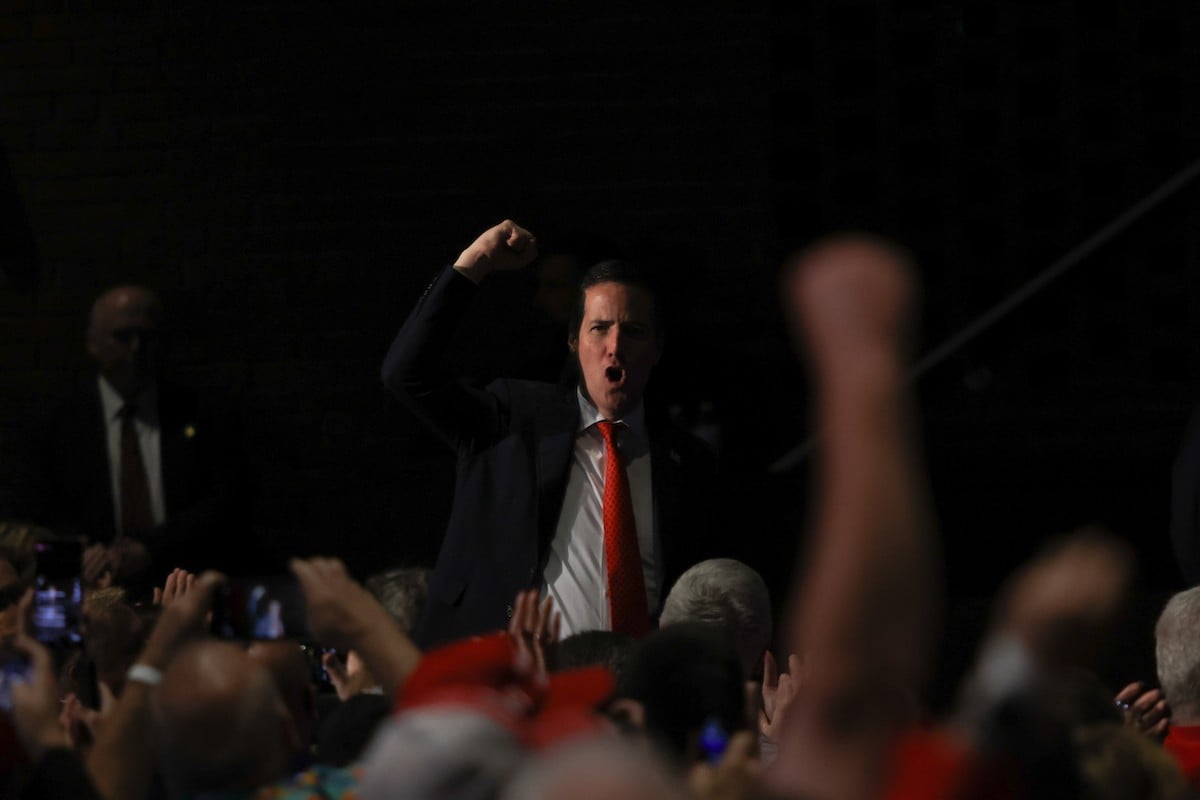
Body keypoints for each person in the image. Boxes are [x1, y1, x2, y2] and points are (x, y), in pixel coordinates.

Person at [382, 220, 720, 646]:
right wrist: (476, 262)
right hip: (511, 682)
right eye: (599, 328)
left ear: (656, 349)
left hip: (635, 694)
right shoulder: (514, 418)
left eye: (633, 331)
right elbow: (406, 375)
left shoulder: (686, 462)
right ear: (574, 342)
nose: (615, 345)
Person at [0, 285, 249, 592]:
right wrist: (81, 552)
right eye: (122, 336)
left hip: (185, 587)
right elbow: (28, 509)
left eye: (147, 337)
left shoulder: (201, 415)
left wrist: (150, 547)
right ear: (92, 343)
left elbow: (224, 501)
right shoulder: (55, 423)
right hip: (87, 592)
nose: (136, 349)